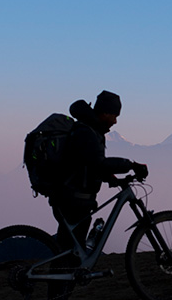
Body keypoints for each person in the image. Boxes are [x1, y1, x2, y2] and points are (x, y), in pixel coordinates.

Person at [50, 90, 148, 258]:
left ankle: (63, 280)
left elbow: (87, 163)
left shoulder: (90, 129)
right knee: (71, 251)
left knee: (70, 249)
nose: (116, 121)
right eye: (115, 115)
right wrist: (131, 165)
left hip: (71, 197)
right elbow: (98, 163)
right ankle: (60, 281)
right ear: (105, 113)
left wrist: (110, 178)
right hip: (73, 199)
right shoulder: (86, 131)